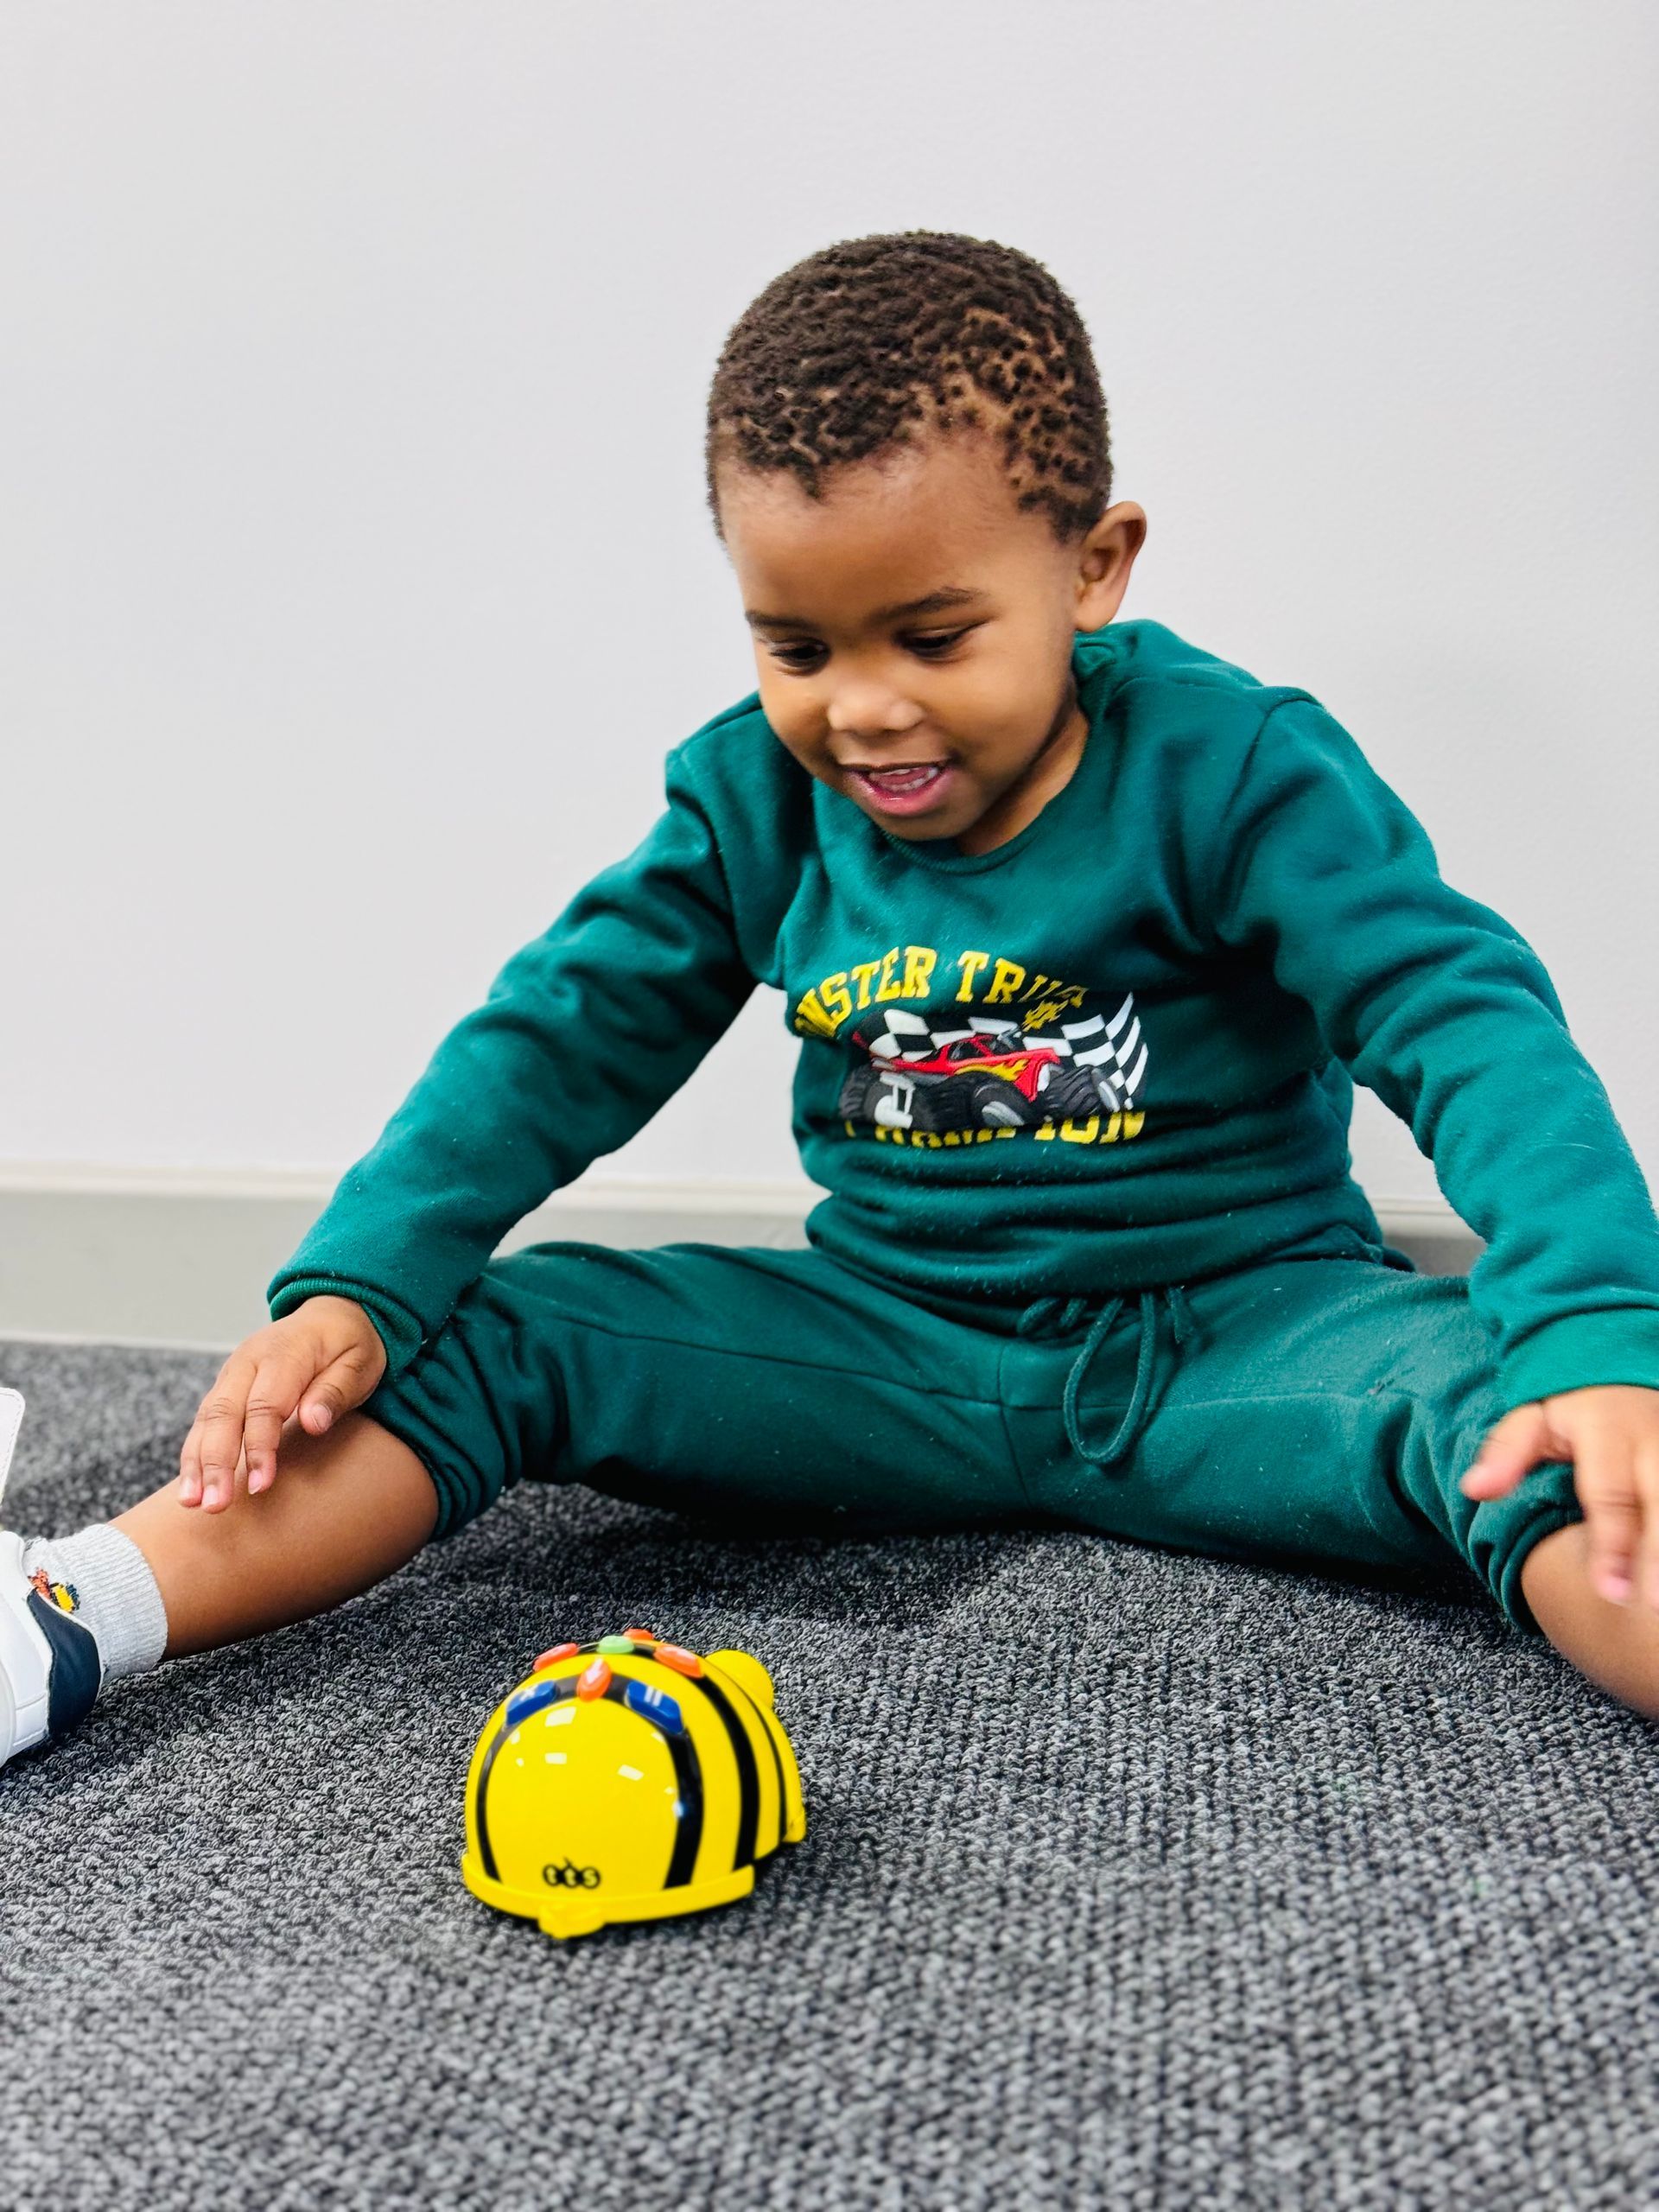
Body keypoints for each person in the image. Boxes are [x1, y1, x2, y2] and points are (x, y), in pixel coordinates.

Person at [8, 230, 1659, 1776]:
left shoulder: (1233, 768)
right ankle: (72, 1618)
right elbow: (561, 1037)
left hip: (1237, 1339)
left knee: (1538, 1436)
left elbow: (1466, 1019)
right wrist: (358, 1283)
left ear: (1094, 569)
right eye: (795, 649)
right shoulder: (751, 803)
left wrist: (1597, 1332)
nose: (864, 710)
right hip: (889, 1349)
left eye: (934, 637)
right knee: (483, 1331)